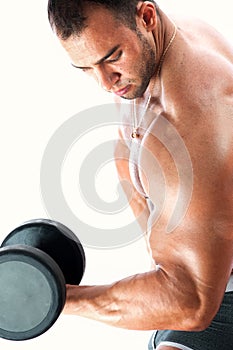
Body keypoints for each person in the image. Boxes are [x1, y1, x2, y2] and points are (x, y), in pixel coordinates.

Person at [47, 1, 233, 349]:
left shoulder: (193, 118)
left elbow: (192, 303)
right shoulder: (155, 52)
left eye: (111, 57)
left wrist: (56, 297)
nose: (103, 82)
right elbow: (128, 151)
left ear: (145, 17)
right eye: (84, 68)